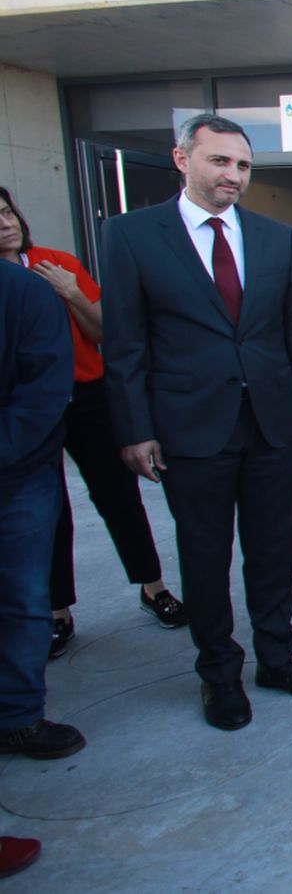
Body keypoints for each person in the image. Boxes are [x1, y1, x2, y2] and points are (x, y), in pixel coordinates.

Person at [100, 113, 292, 731]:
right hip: (188, 426)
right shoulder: (131, 236)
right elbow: (124, 344)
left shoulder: (274, 237)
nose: (234, 175)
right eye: (220, 162)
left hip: (271, 424)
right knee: (204, 556)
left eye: (244, 166)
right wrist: (134, 428)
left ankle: (277, 659)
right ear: (184, 160)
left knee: (273, 551)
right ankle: (220, 675)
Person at [0, 186, 183, 660]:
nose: (6, 224)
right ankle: (57, 612)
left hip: (87, 397)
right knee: (47, 511)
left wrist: (69, 291)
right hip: (25, 407)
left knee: (119, 496)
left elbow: (105, 330)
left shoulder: (56, 262)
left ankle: (153, 587)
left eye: (7, 212)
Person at [0, 258, 85, 760]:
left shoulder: (22, 291)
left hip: (18, 473)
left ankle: (17, 716)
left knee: (22, 596)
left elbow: (45, 386)